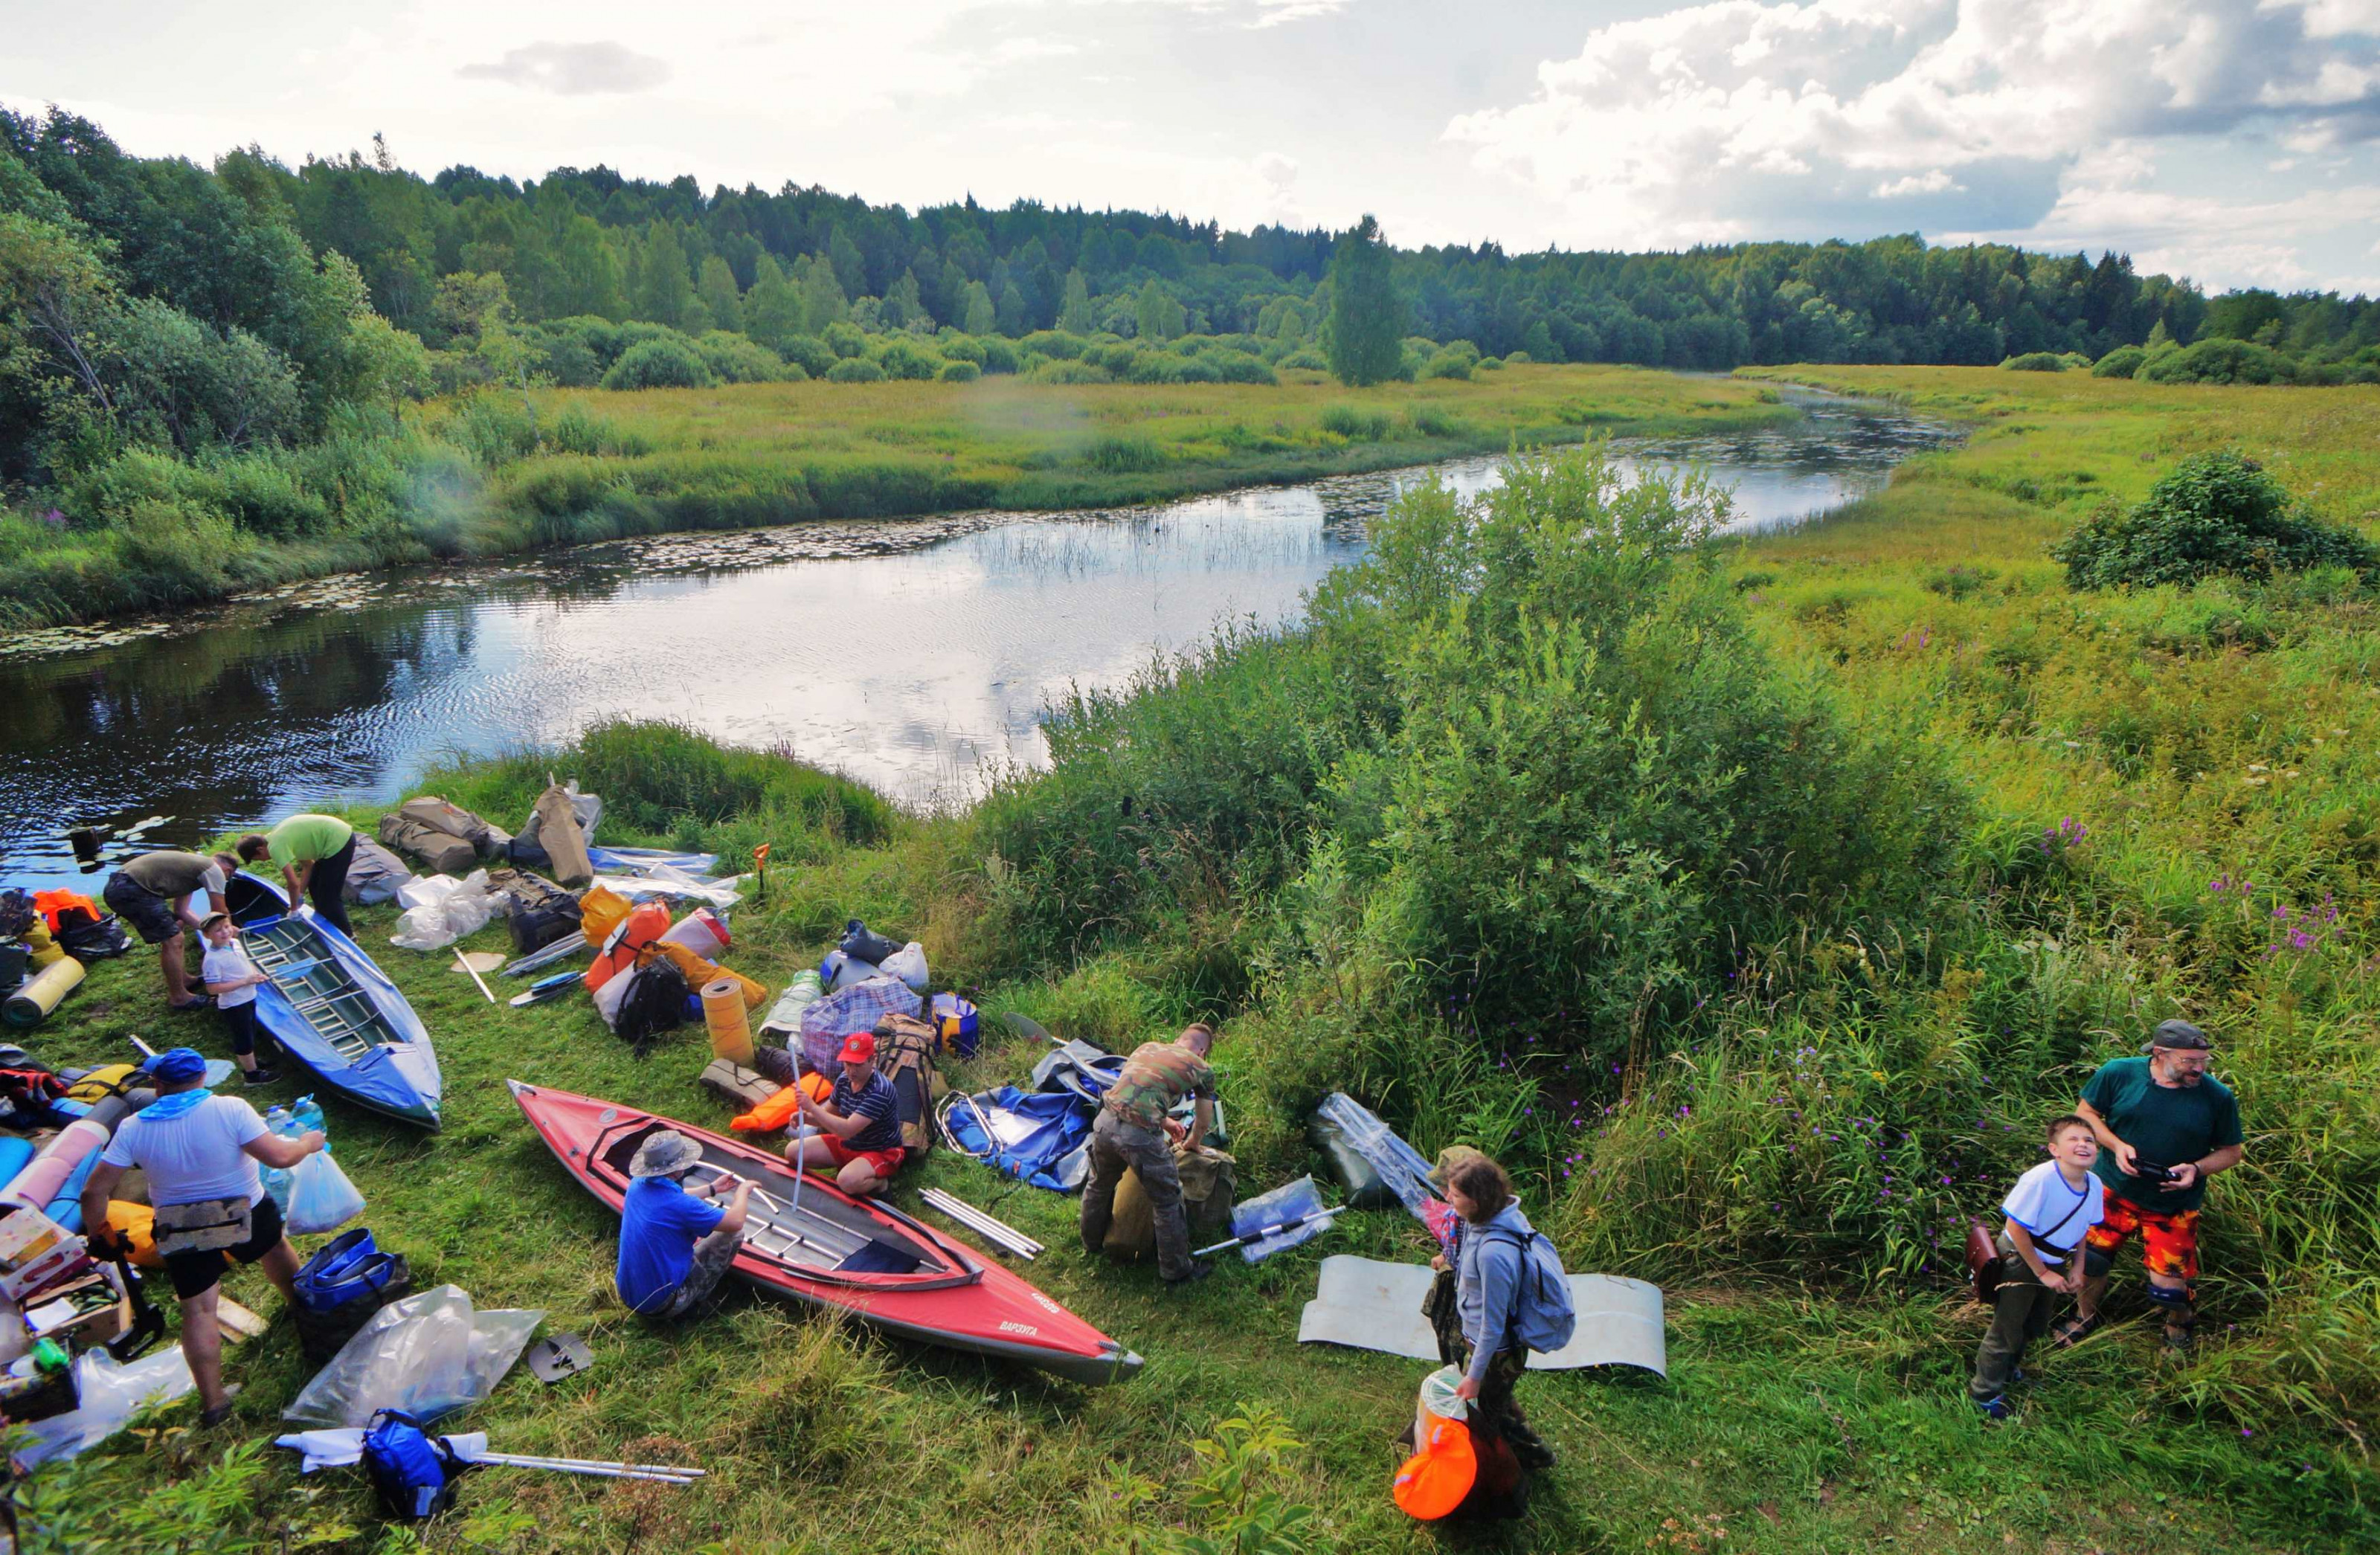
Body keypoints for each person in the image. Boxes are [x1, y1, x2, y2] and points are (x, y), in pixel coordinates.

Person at [78, 1046, 324, 1427]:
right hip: (243, 1209)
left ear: (158, 1084)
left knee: (199, 1310)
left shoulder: (134, 1127)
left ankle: (214, 1404)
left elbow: (94, 1192)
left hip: (180, 1223)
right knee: (274, 1247)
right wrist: (309, 1143)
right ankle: (303, 1312)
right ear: (202, 1078)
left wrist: (100, 1235)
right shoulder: (230, 1108)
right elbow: (279, 1158)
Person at [2055, 1020, 2245, 1353]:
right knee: (2093, 1261)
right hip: (2112, 1191)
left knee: (2168, 1288)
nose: (2198, 1069)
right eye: (2189, 1061)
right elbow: (2086, 1113)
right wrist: (2117, 1146)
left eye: (2204, 1061)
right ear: (2160, 1054)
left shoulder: (2217, 1097)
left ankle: (2179, 1323)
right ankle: (2085, 1316)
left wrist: (2196, 1169)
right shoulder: (2120, 1073)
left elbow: (2232, 1153)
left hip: (2173, 1204)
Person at [1969, 1115, 2106, 1419]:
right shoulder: (2041, 1179)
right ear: (2054, 1149)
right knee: (2007, 1326)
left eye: (2089, 1140)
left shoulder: (2094, 1184)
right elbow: (2015, 1227)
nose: (2083, 1145)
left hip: (2056, 1260)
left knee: (2036, 1324)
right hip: (2022, 1258)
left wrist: (2077, 1267)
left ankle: (2008, 1369)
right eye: (2073, 1139)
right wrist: (2042, 1273)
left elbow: (2084, 1228)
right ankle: (1985, 1393)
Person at [1438, 1156, 1558, 1471]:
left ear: (1477, 1202)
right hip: (1484, 1346)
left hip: (1496, 1352)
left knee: (1484, 1418)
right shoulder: (1484, 1223)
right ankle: (1535, 1450)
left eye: (1456, 1195)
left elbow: (1494, 1325)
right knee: (1499, 1400)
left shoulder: (1494, 1253)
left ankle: (1499, 1480)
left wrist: (1474, 1377)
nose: (1448, 1199)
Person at [1078, 1023, 1218, 1287]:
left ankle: (1091, 1243)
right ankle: (1176, 1271)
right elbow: (1203, 1117)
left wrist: (1165, 1122)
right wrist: (1193, 1142)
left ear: (1178, 1039)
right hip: (1139, 1137)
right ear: (1202, 1051)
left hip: (1105, 1122)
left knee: (1099, 1185)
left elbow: (1135, 1092)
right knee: (1167, 1199)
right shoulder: (1201, 1067)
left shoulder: (1148, 1047)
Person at [616, 1130, 752, 1319]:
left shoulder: (637, 1185)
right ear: (679, 1168)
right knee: (733, 1235)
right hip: (662, 1304)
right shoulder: (683, 1206)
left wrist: (712, 1189)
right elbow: (735, 1222)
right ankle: (699, 1302)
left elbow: (673, 1198)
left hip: (629, 1295)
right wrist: (743, 1192)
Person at [101, 850, 239, 1011]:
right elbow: (219, 912)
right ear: (227, 871)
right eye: (226, 879)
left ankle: (185, 980)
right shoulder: (214, 870)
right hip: (132, 888)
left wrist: (209, 932)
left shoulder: (193, 868)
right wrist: (229, 933)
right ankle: (179, 998)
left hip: (119, 885)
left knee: (176, 930)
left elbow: (181, 911)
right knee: (174, 939)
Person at [788, 1031, 907, 1197]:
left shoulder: (880, 1091)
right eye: (848, 1064)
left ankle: (881, 1183)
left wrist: (812, 1107)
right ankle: (851, 1165)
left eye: (858, 1065)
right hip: (847, 1143)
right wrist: (807, 1118)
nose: (852, 1071)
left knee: (847, 1182)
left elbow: (847, 1129)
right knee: (792, 1152)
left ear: (872, 1060)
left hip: (878, 1150)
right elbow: (828, 1113)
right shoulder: (844, 1079)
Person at [236, 814, 358, 936]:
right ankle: (326, 925)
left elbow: (293, 882)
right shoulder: (276, 838)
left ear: (260, 849)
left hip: (339, 841)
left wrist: (293, 909)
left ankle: (348, 935)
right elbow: (308, 866)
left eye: (258, 859)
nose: (263, 861)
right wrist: (300, 894)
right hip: (333, 836)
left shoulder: (275, 847)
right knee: (314, 887)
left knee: (328, 896)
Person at [197, 914, 280, 1086]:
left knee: (250, 1030)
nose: (225, 932)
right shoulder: (212, 960)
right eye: (218, 930)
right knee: (244, 1039)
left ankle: (252, 1062)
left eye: (226, 926)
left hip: (249, 997)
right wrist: (245, 981)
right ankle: (251, 1075)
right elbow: (213, 988)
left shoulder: (235, 943)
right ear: (207, 935)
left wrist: (255, 973)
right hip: (235, 1004)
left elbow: (246, 963)